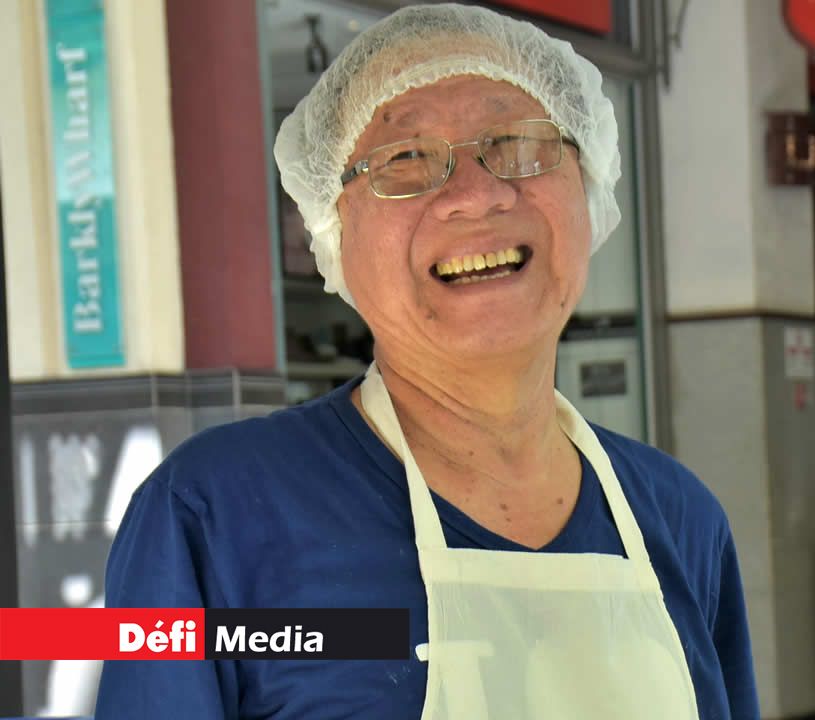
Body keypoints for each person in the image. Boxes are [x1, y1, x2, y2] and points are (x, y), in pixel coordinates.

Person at [94, 5, 758, 719]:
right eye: (404, 160)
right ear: (332, 230)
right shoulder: (212, 517)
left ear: (589, 184)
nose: (475, 194)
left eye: (516, 141)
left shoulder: (684, 521)